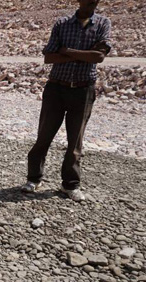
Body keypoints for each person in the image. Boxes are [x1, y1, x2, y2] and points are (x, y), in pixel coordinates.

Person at [21, 0, 111, 202]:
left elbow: (98, 57)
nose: (92, 2)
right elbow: (49, 57)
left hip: (83, 89)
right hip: (57, 88)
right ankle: (34, 178)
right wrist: (84, 55)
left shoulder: (103, 23)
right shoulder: (62, 23)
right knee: (44, 136)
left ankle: (70, 184)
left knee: (75, 141)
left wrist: (67, 51)